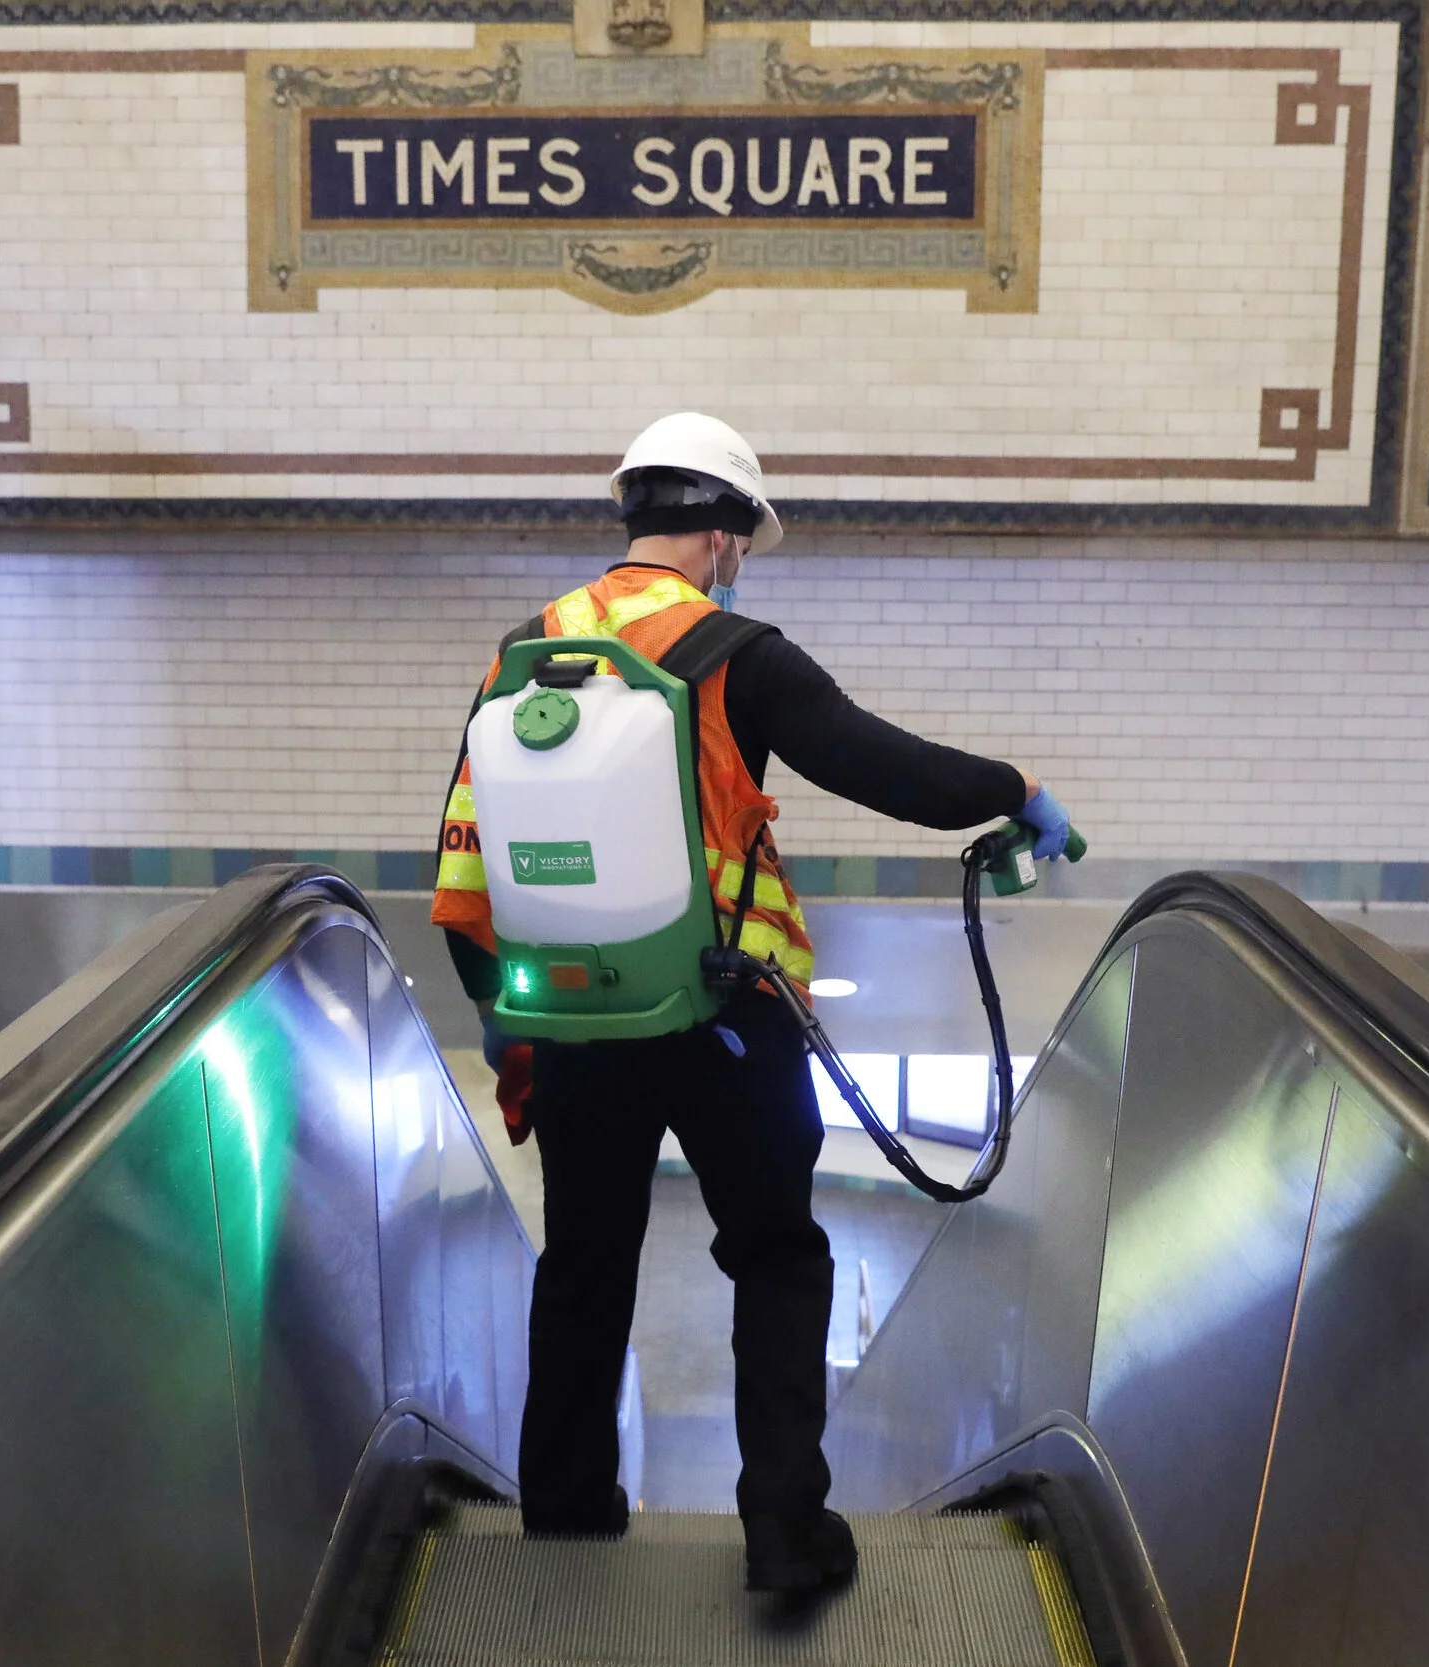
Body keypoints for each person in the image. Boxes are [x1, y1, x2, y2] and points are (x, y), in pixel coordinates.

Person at [429, 412, 1075, 1594]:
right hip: (728, 1014)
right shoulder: (737, 651)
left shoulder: (527, 651)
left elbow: (463, 846)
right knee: (775, 1258)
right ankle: (784, 1532)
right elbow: (895, 771)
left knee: (581, 1263)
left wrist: (501, 1008)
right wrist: (1017, 787)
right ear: (723, 535)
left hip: (574, 1020)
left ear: (635, 516)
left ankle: (568, 1517)